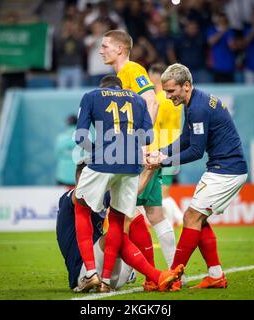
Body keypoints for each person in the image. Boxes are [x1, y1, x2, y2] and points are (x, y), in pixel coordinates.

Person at [74, 75, 183, 293]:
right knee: (118, 219)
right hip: (131, 164)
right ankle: (105, 281)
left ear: (102, 87)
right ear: (120, 87)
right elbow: (148, 137)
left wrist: (97, 151)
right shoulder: (137, 99)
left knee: (80, 207)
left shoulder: (91, 96)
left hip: (104, 160)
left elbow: (81, 136)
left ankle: (90, 274)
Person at [158, 63, 248, 290]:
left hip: (226, 170)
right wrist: (161, 152)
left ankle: (172, 276)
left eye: (171, 91)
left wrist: (162, 161)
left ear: (186, 86)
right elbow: (185, 139)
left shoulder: (197, 108)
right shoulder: (194, 102)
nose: (168, 97)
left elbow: (196, 152)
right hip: (224, 168)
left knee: (191, 217)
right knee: (198, 218)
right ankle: (215, 275)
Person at [99, 30, 176, 277]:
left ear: (120, 49)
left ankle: (145, 272)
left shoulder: (132, 70)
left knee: (127, 213)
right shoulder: (122, 75)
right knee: (151, 213)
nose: (101, 50)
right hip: (141, 152)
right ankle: (169, 270)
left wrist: (141, 142)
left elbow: (151, 102)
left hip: (142, 152)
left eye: (105, 46)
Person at [56, 162, 183, 293]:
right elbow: (79, 193)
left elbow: (130, 196)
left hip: (110, 273)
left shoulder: (99, 194)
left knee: (130, 212)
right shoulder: (70, 198)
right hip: (82, 274)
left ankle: (150, 279)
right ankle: (156, 276)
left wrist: (149, 171)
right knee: (111, 236)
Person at [148, 63, 183, 227]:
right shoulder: (173, 97)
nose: (147, 78)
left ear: (157, 77)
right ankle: (176, 221)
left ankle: (181, 220)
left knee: (162, 192)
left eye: (150, 74)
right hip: (173, 145)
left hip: (164, 147)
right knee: (163, 191)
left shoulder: (161, 98)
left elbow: (155, 122)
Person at [54, 115, 78, 187]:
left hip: (62, 177)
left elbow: (57, 154)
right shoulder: (85, 137)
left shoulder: (60, 138)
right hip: (78, 177)